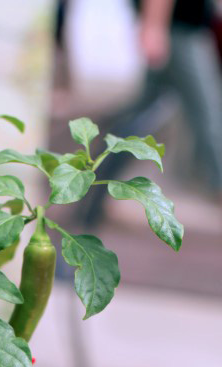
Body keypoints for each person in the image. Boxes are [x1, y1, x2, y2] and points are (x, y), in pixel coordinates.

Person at [82, 0, 222, 225]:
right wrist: (154, 26)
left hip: (181, 29)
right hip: (180, 32)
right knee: (209, 117)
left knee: (139, 116)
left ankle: (90, 192)